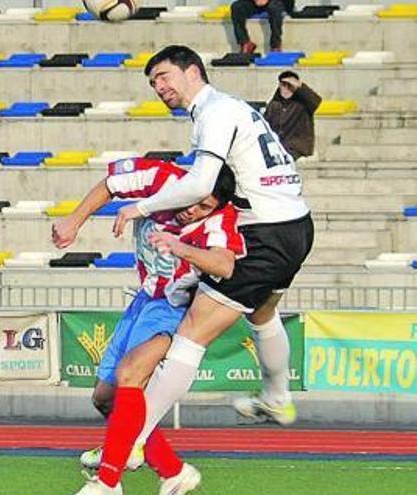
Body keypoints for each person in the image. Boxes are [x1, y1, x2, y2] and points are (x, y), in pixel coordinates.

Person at [97, 44, 312, 472]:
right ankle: (277, 398)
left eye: (164, 76)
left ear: (193, 71)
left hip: (266, 232)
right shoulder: (234, 110)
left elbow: (199, 185)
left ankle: (134, 440)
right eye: (153, 82)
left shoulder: (214, 112)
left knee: (191, 335)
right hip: (297, 225)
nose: (159, 87)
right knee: (264, 313)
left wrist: (138, 207)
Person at [55, 159, 244, 495]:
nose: (193, 211)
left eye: (205, 207)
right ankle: (173, 472)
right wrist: (73, 222)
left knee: (131, 374)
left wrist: (180, 246)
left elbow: (224, 264)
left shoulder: (219, 219)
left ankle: (108, 483)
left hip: (175, 310)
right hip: (142, 301)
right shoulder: (161, 178)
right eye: (194, 200)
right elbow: (110, 185)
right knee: (105, 398)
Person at [263, 71, 322, 161]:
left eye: (290, 86)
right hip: (278, 147)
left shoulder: (303, 104)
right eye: (283, 85)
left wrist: (300, 86)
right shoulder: (273, 105)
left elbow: (316, 101)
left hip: (297, 149)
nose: (286, 89)